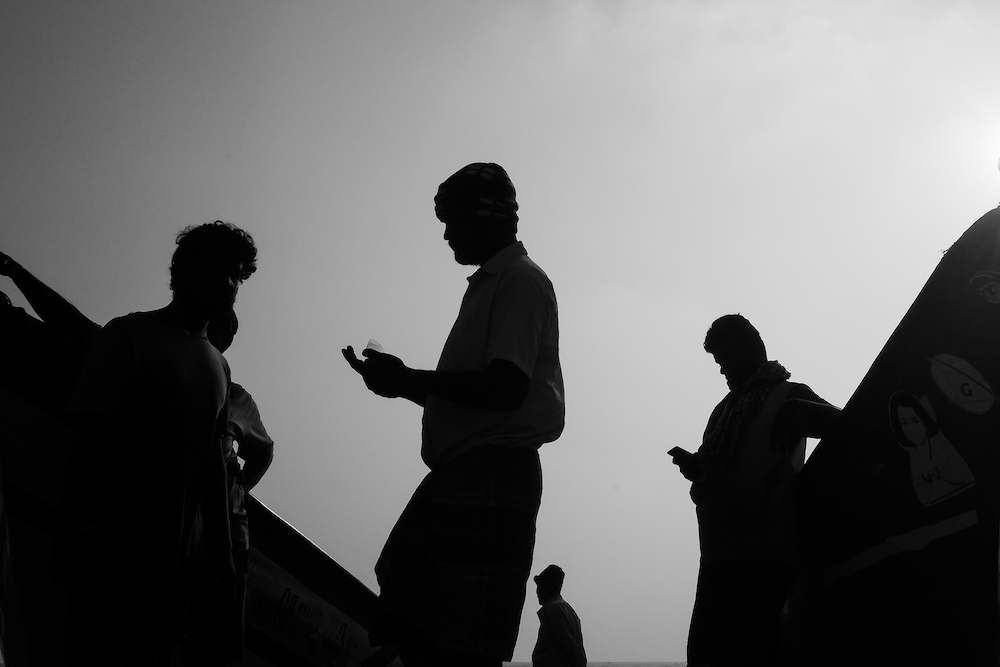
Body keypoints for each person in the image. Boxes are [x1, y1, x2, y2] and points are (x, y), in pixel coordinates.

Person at [343, 162, 564, 667]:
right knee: (415, 613)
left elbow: (505, 390)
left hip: (491, 474)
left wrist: (413, 379)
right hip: (466, 473)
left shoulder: (520, 282)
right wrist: (404, 386)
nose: (446, 235)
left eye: (452, 220)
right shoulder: (492, 283)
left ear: (488, 217)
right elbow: (486, 397)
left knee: (455, 643)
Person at [60, 221, 258, 665]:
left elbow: (212, 466)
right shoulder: (127, 335)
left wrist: (222, 560)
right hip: (110, 548)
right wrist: (74, 531)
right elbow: (90, 440)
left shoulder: (218, 369)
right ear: (185, 269)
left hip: (173, 569)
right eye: (222, 270)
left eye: (237, 276)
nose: (229, 285)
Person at [670, 314, 840, 667]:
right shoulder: (725, 410)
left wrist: (800, 410)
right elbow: (721, 465)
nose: (722, 371)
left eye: (725, 360)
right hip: (718, 560)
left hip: (767, 562)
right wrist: (695, 466)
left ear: (752, 350)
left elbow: (850, 423)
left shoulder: (790, 396)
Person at [531, 564, 587, 667]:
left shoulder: (554, 610)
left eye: (540, 587)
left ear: (547, 587)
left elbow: (568, 644)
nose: (537, 592)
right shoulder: (567, 609)